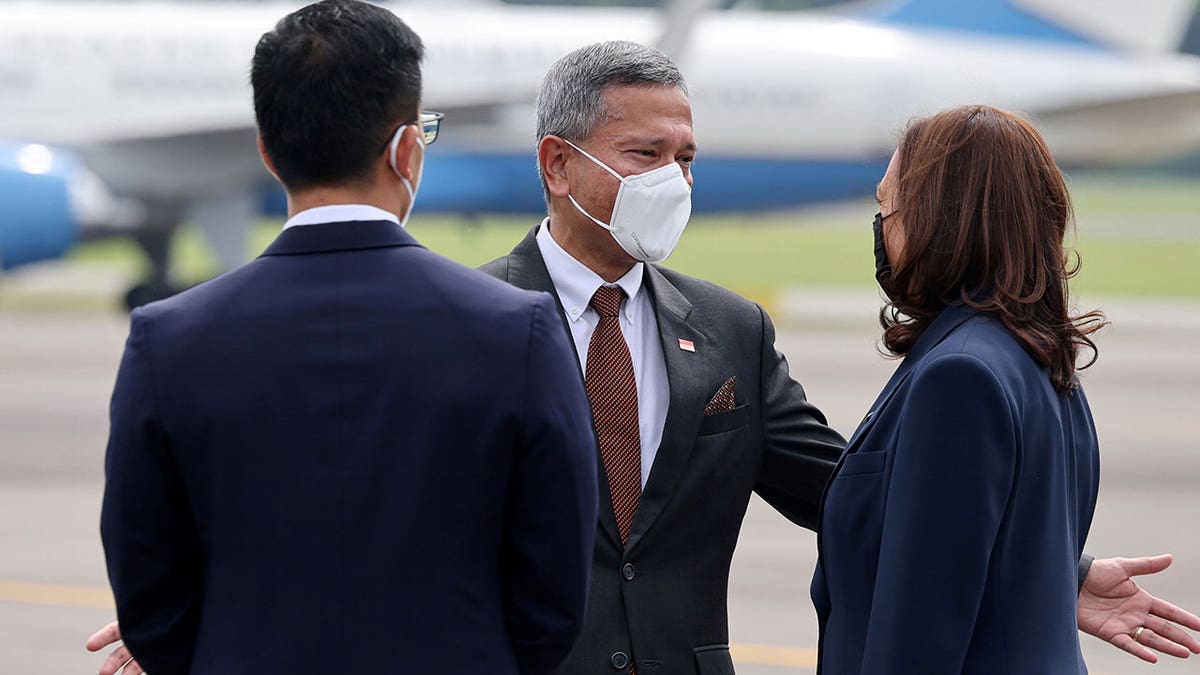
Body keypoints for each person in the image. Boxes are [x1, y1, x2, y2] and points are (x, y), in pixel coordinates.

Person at [90, 39, 1200, 675]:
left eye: (688, 153)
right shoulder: (468, 322)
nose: (676, 175)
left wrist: (1050, 571)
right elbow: (365, 501)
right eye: (645, 153)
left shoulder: (728, 328)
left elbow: (852, 489)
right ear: (558, 166)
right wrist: (208, 612)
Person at [96, 2, 597, 674]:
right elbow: (554, 595)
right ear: (406, 150)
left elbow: (150, 596)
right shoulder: (521, 329)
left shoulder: (168, 338)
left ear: (269, 155)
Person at [811, 105, 1123, 673]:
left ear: (939, 218)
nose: (881, 227)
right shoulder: (1035, 356)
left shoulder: (959, 375)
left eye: (887, 206)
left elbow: (919, 631)